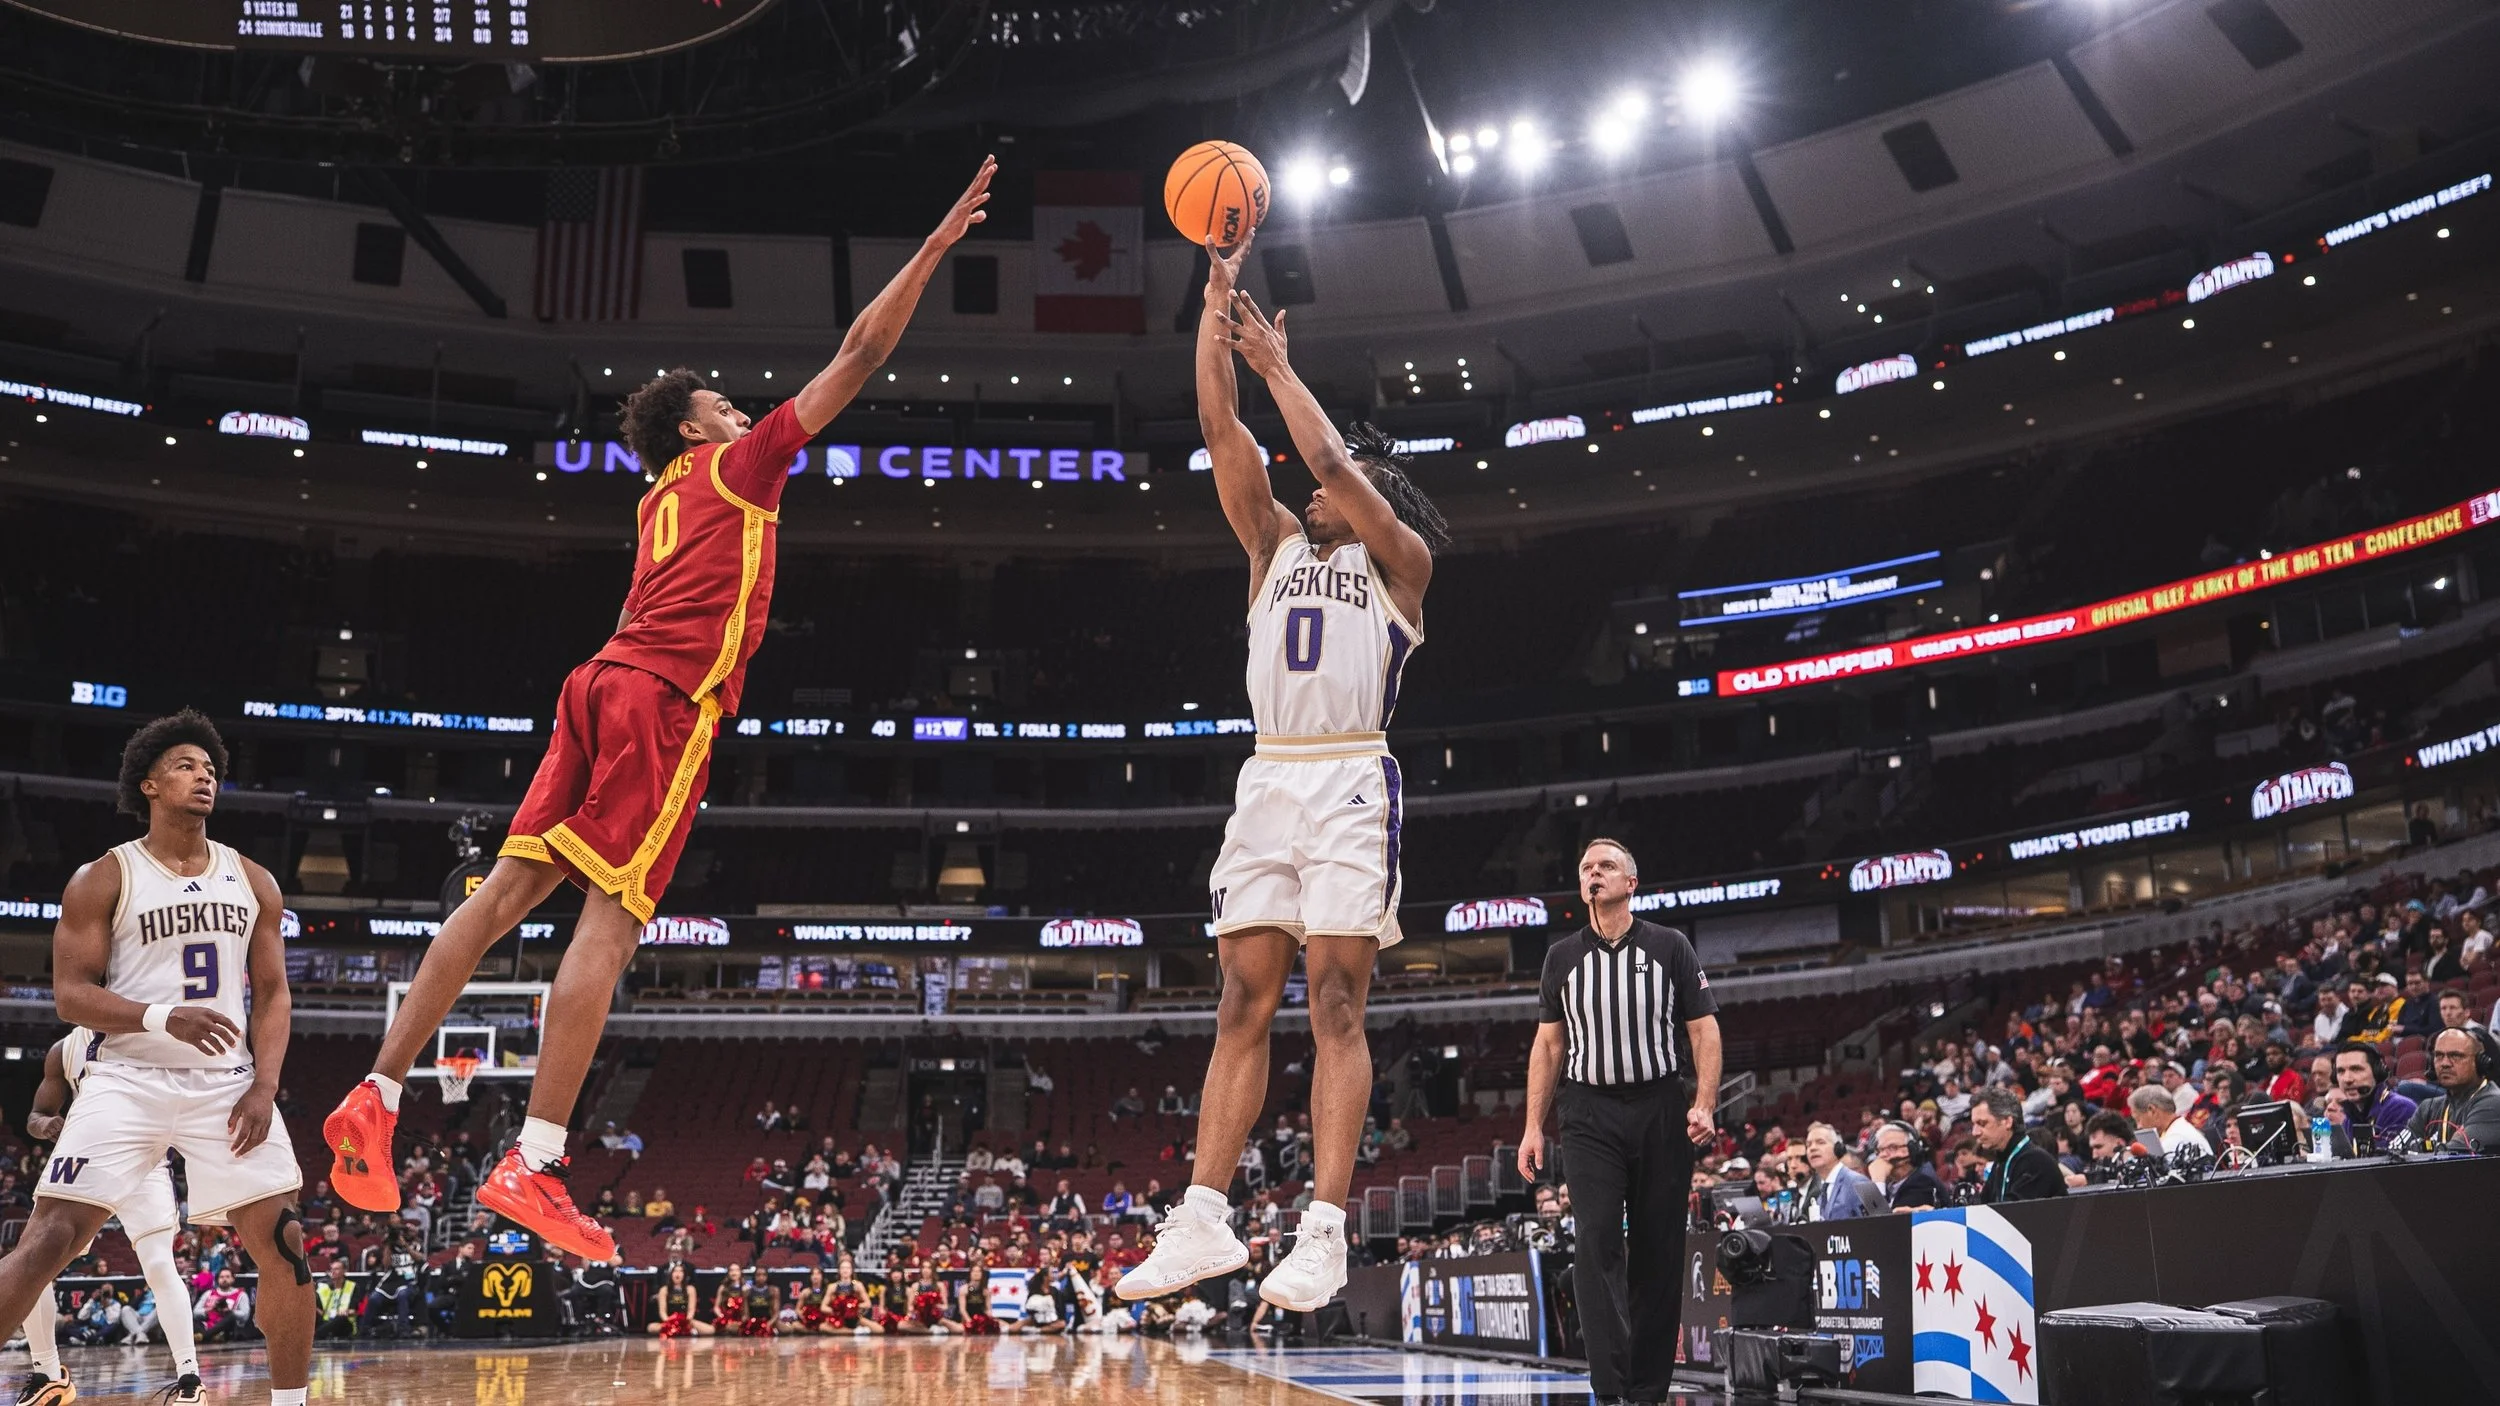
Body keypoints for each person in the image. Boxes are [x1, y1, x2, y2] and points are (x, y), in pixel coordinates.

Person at [319, 158, 1000, 1261]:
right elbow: (860, 354)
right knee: (611, 922)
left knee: (500, 896)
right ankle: (534, 1162)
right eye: (721, 404)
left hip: (591, 683)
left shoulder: (655, 499)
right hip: (659, 703)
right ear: (695, 433)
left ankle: (377, 1086)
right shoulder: (733, 470)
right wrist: (930, 248)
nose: (740, 408)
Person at [1118, 229, 1450, 1315]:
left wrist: (1278, 365)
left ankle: (1321, 1227)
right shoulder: (1268, 549)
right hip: (1268, 777)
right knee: (1239, 1001)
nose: (1311, 497)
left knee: (1339, 1000)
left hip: (1352, 775)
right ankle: (1203, 1216)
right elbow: (1221, 429)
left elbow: (1334, 466)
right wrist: (1217, 300)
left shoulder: (1401, 566)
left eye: (1332, 494)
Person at [0, 712, 311, 1406]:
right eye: (185, 765)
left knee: (286, 1244)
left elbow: (274, 993)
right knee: (49, 1238)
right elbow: (70, 996)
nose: (204, 775)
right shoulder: (104, 876)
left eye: (210, 768)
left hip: (225, 1084)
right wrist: (158, 1015)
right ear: (148, 783)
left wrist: (265, 1085)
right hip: (127, 1078)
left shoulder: (253, 879)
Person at [1518, 839, 1723, 1406]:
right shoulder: (1561, 956)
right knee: (1598, 1236)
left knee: (1659, 1246)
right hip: (1587, 1111)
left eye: (1606, 866)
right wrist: (1533, 1126)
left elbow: (1703, 1030)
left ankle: (1648, 1388)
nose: (1593, 874)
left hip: (1660, 1104)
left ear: (1632, 882)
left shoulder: (1670, 945)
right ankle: (1609, 1386)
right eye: (1586, 867)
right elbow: (1548, 1044)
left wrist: (1703, 1102)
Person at [15, 1024, 207, 1404]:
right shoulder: (64, 1050)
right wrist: (46, 1124)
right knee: (33, 1261)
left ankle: (189, 1378)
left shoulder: (153, 1030)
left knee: (158, 1264)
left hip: (146, 1160)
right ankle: (48, 1373)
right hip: (86, 1157)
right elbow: (36, 1114)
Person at [2405, 1027, 2500, 1153]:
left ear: (2480, 1062)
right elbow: (2394, 1153)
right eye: (2439, 1055)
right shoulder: (2427, 1108)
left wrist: (2420, 1149)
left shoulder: (2493, 1102)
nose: (2445, 1063)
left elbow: (2456, 1157)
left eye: (2455, 1055)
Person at [1969, 1087, 2066, 1202]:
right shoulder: (2001, 1162)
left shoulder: (2036, 1162)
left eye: (1982, 1123)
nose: (1975, 1132)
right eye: (1974, 1124)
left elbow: (2012, 1215)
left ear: (2007, 1122)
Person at [2324, 1042, 2417, 1155]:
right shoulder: (2349, 1118)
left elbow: (2384, 1166)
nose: (2347, 1079)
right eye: (2341, 1071)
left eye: (2356, 1069)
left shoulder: (2400, 1108)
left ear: (2377, 1071)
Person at [1801, 1123, 1883, 1220]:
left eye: (1821, 1142)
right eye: (1808, 1145)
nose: (1812, 1148)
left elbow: (1883, 1223)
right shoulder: (1820, 1194)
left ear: (1838, 1148)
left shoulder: (1859, 1182)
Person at [1866, 1121, 1946, 1210]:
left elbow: (1881, 1221)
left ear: (1913, 1150)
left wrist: (1878, 1182)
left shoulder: (1923, 1182)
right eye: (1880, 1150)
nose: (1883, 1155)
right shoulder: (1891, 1186)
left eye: (1893, 1147)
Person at [2129, 1084, 2214, 1159]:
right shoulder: (2178, 1130)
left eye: (2138, 1119)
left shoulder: (2176, 1138)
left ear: (2152, 1110)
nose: (2138, 1126)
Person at [313, 1262, 359, 1341]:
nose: (333, 1271)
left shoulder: (352, 1287)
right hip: (327, 1320)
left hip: (344, 1323)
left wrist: (346, 1311)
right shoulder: (324, 1287)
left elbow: (354, 1310)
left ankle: (315, 1335)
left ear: (344, 1271)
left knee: (340, 1319)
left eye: (336, 1269)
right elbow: (320, 1309)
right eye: (332, 1269)